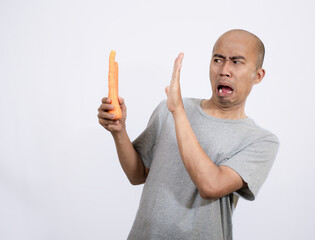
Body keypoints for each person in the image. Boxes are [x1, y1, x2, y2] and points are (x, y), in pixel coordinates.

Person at [97, 29, 279, 240]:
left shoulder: (260, 141)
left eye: (237, 62)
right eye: (218, 60)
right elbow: (137, 175)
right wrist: (119, 132)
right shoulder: (168, 110)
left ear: (258, 76)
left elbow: (211, 185)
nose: (224, 70)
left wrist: (178, 112)